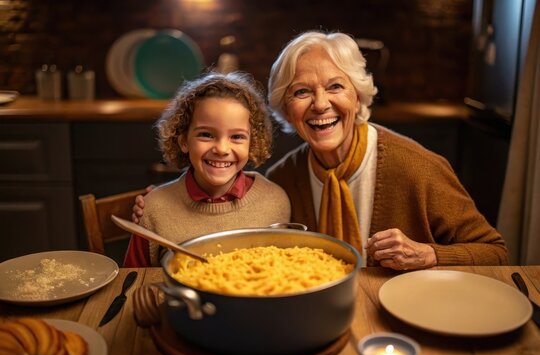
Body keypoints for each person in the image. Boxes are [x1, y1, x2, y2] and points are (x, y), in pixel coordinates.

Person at [133, 31, 509, 270]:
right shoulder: (283, 180)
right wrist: (163, 203)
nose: (320, 104)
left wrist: (430, 255)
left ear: (358, 94)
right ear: (285, 109)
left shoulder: (416, 167)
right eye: (301, 92)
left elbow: (495, 251)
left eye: (335, 87)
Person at [123, 71, 291, 267]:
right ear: (184, 141)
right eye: (206, 135)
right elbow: (132, 282)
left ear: (252, 143)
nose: (221, 149)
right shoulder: (153, 210)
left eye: (236, 137)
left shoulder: (275, 202)